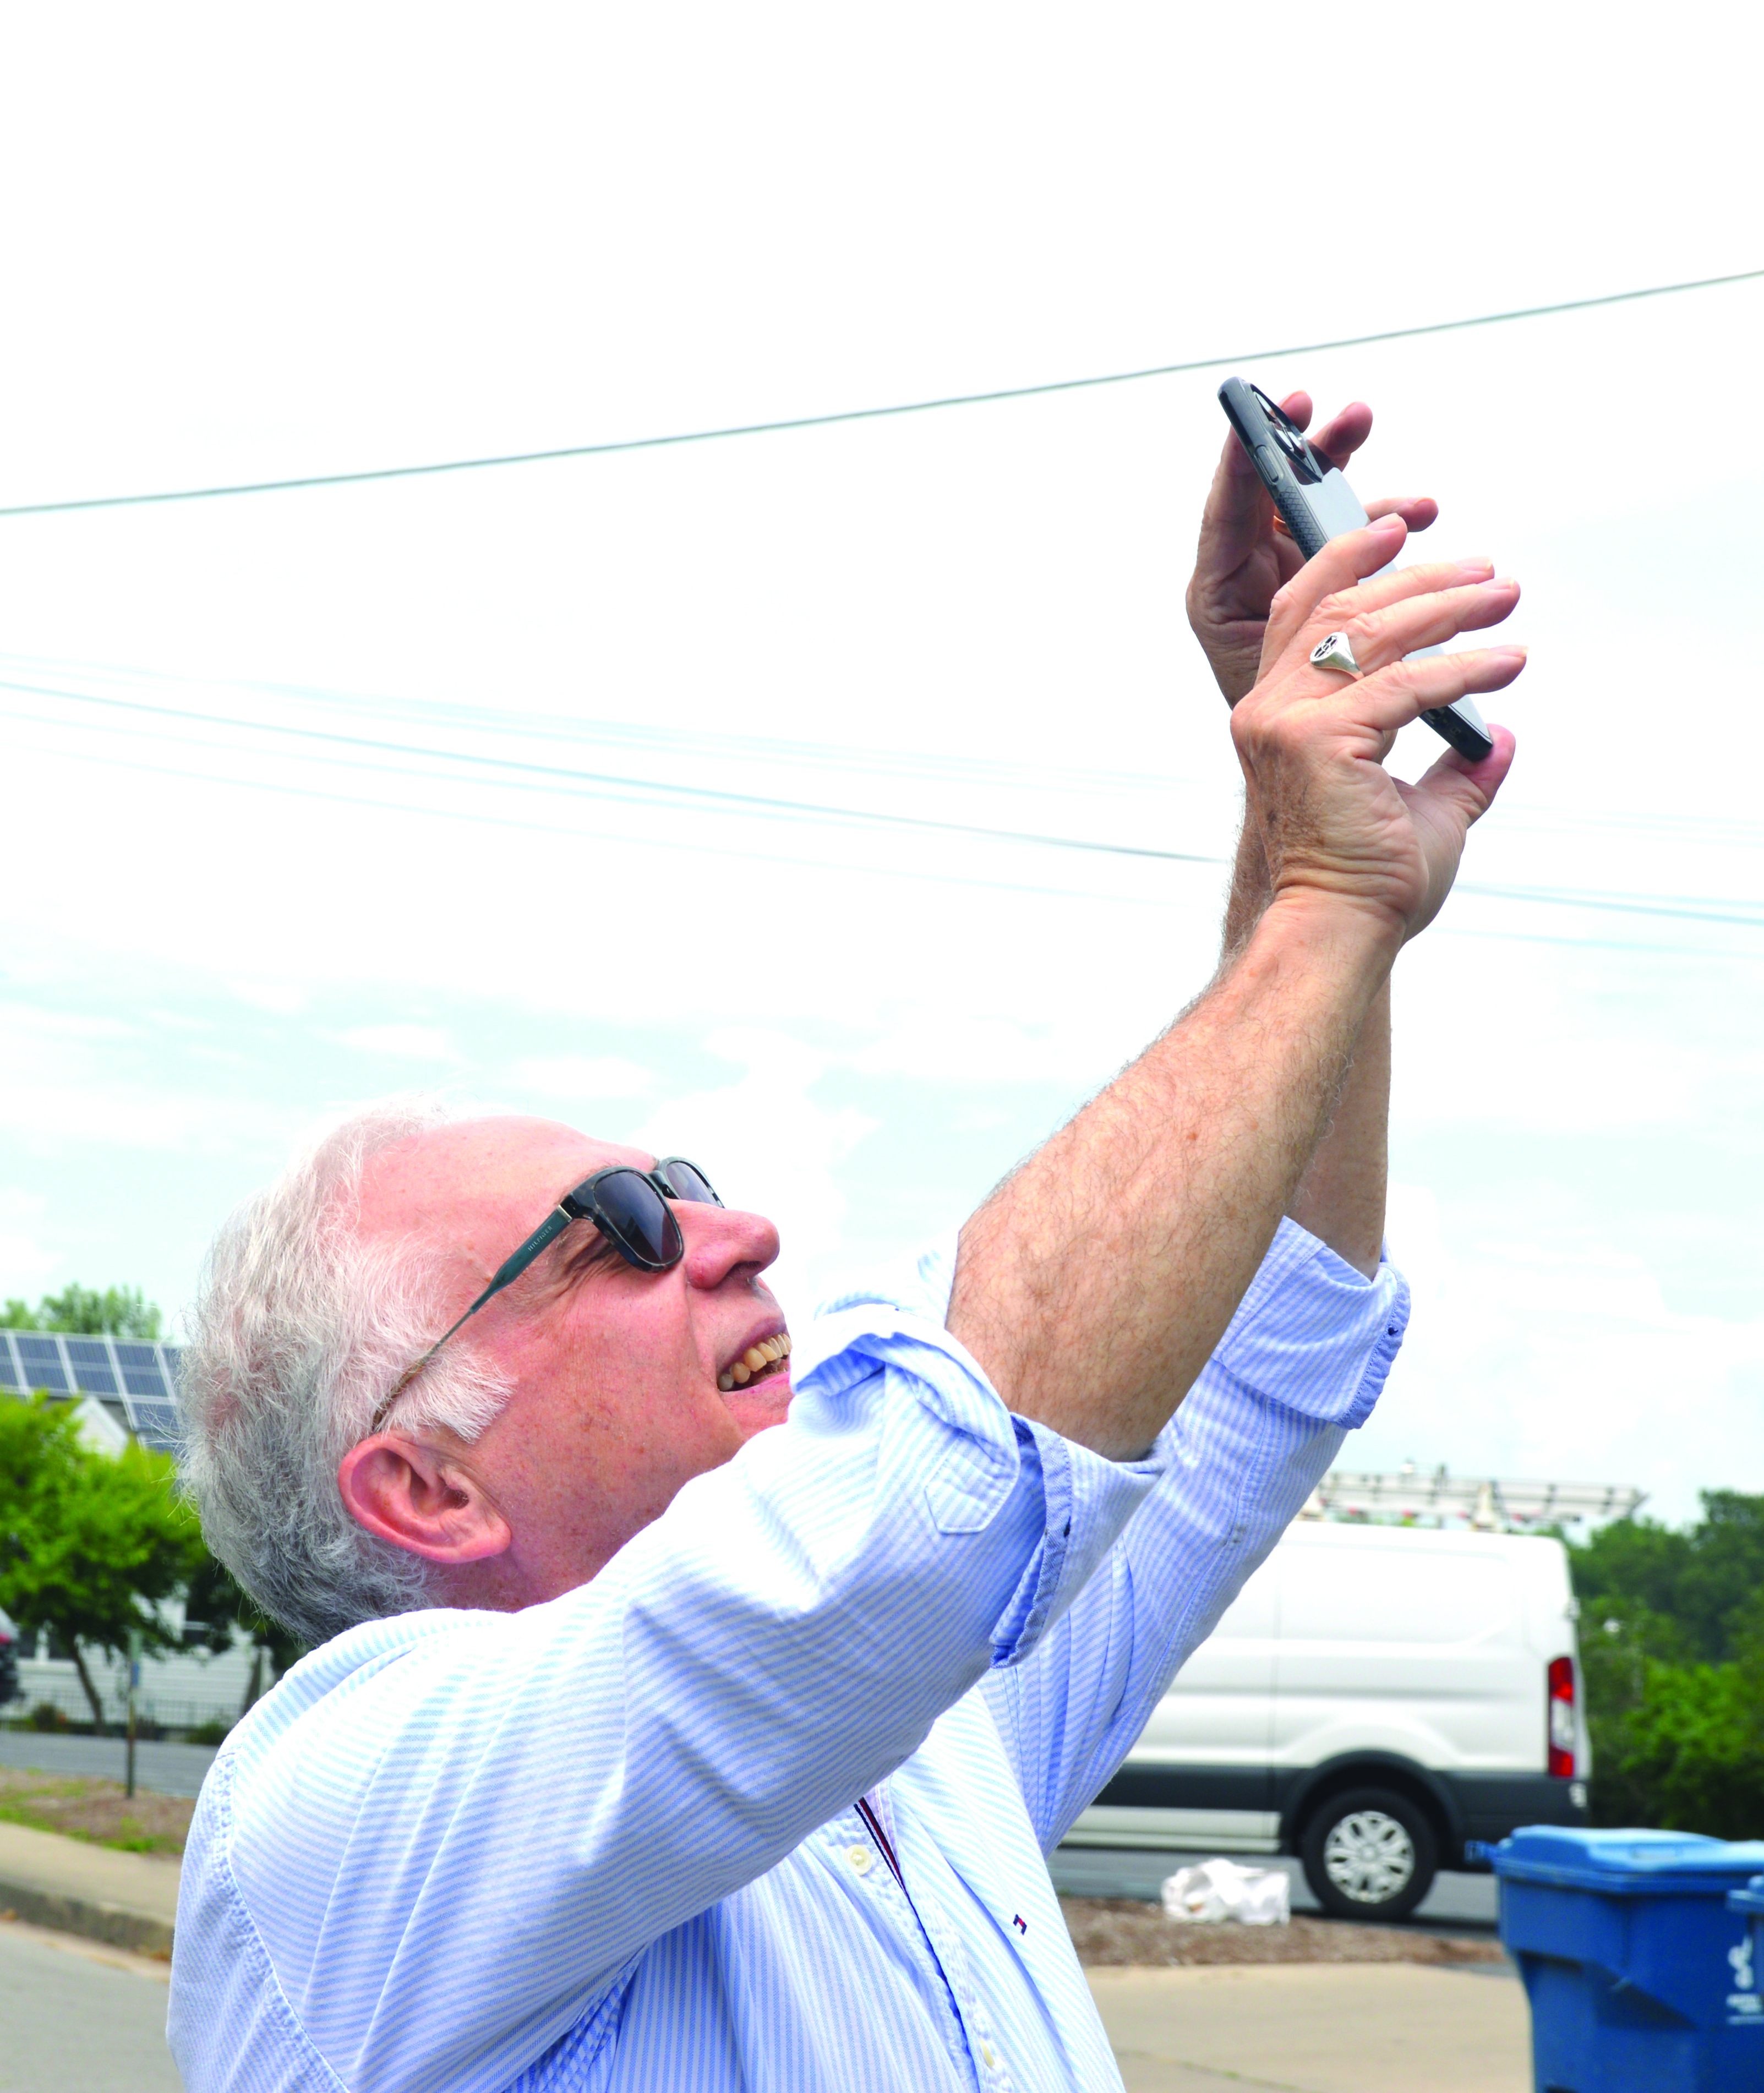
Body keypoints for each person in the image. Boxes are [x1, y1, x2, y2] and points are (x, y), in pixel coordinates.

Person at [167, 394, 1522, 2092]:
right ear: (428, 1488)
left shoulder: (926, 1740)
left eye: (685, 1179)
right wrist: (1315, 904)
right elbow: (923, 1497)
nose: (739, 1233)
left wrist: (1318, 876)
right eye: (617, 1230)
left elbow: (1260, 1355)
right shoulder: (348, 1817)